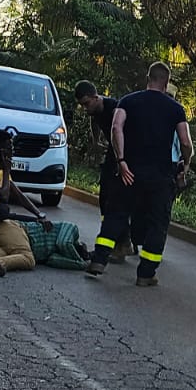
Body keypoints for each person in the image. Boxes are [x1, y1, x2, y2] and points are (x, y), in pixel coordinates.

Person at [85, 62, 192, 287]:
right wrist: (186, 164)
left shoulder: (128, 101)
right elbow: (185, 142)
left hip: (129, 173)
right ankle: (145, 274)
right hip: (160, 177)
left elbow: (116, 128)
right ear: (167, 81)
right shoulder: (175, 109)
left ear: (148, 78)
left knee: (116, 215)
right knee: (157, 223)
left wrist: (121, 160)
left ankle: (99, 260)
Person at [75, 80, 132, 262]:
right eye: (82, 105)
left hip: (125, 152)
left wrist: (121, 159)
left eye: (86, 103)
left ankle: (121, 244)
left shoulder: (114, 107)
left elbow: (121, 130)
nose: (85, 108)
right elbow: (95, 123)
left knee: (115, 198)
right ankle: (120, 241)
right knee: (104, 196)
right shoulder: (95, 111)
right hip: (113, 152)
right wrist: (95, 141)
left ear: (96, 97)